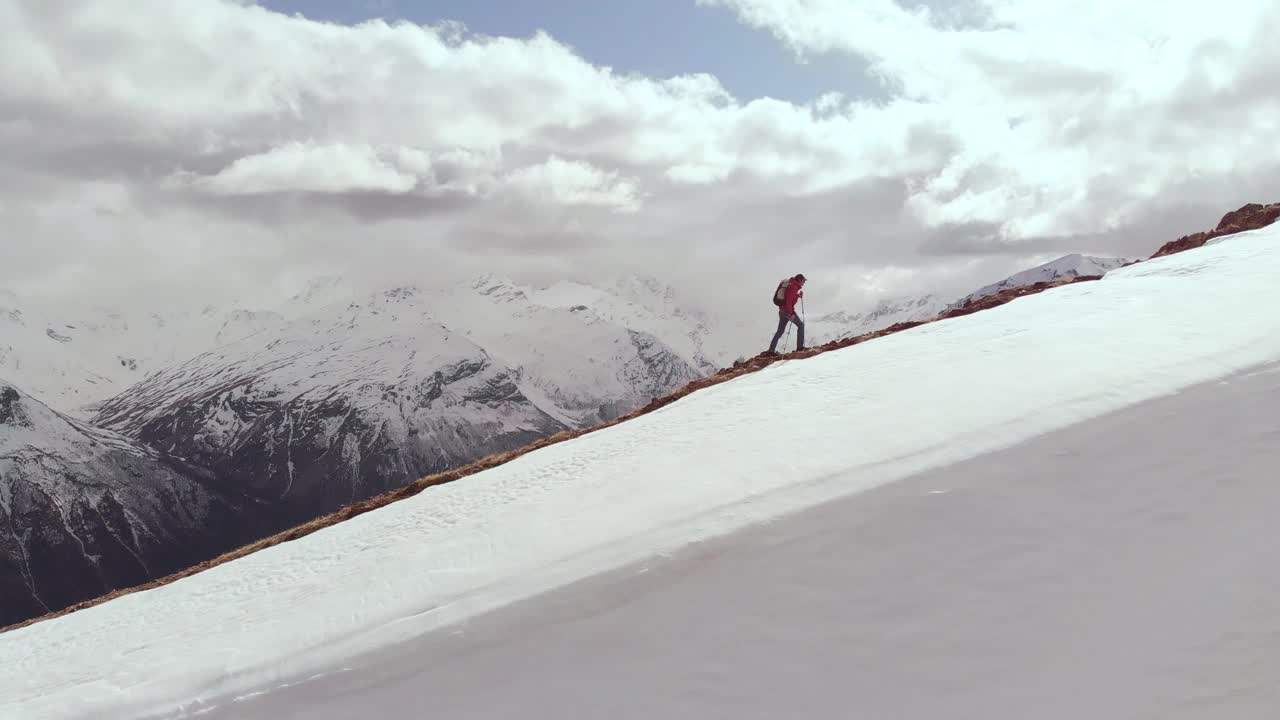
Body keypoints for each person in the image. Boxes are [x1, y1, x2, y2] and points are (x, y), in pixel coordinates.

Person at [768, 273, 805, 354]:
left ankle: (771, 351)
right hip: (787, 311)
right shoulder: (793, 287)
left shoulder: (792, 285)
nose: (804, 283)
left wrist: (798, 295)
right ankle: (800, 348)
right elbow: (788, 302)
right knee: (801, 325)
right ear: (799, 280)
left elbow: (789, 297)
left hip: (782, 311)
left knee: (780, 331)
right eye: (803, 281)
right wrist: (791, 314)